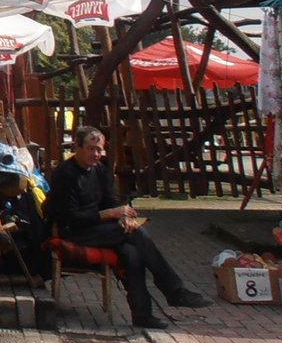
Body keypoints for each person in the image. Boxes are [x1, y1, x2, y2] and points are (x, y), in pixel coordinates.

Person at [45, 125, 211, 330]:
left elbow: (110, 200)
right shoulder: (66, 174)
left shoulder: (99, 170)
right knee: (138, 234)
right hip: (74, 231)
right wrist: (108, 214)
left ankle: (143, 314)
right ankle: (174, 290)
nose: (96, 154)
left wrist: (122, 215)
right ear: (77, 147)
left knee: (131, 251)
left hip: (98, 228)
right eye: (91, 148)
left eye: (99, 149)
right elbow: (68, 217)